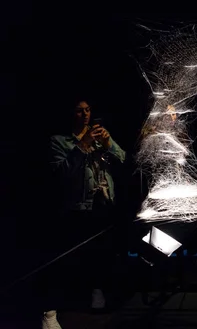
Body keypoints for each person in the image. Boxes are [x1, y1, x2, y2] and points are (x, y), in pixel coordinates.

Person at [42, 99, 126, 328]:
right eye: (79, 111)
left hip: (104, 204)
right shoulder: (58, 141)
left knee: (103, 254)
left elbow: (123, 159)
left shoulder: (99, 136)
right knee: (68, 258)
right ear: (71, 114)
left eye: (88, 110)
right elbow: (61, 173)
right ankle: (51, 311)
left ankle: (97, 294)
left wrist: (108, 143)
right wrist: (82, 146)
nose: (85, 115)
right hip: (76, 208)